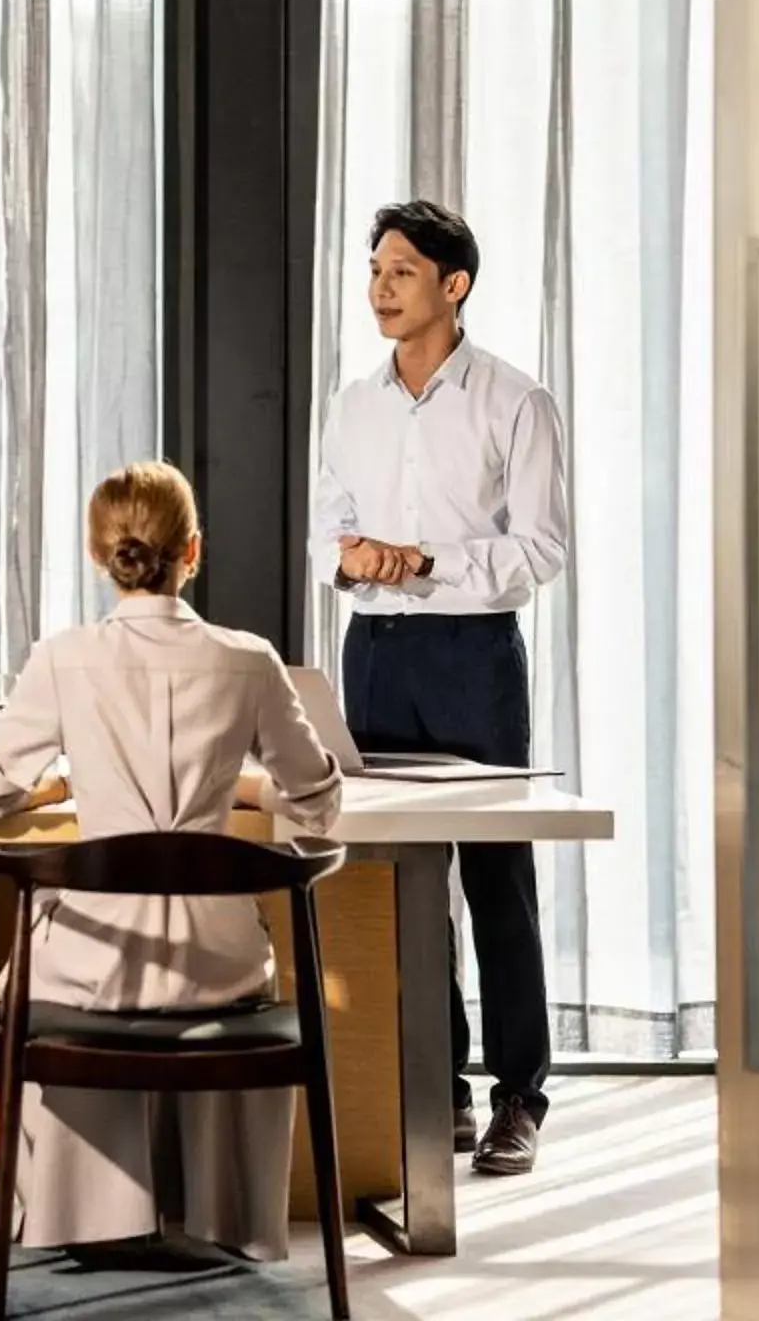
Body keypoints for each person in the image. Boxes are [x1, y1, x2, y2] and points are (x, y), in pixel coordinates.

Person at [0, 461, 345, 1263]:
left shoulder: (64, 659)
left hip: (94, 966)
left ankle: (89, 1213)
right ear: (192, 551)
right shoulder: (251, 660)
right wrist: (236, 789)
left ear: (103, 556)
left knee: (30, 977)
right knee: (243, 963)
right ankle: (231, 1217)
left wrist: (66, 784)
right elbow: (318, 798)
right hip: (220, 967)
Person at [310, 199, 571, 1176]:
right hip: (374, 650)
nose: (380, 287)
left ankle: (520, 1097)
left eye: (402, 270)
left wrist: (419, 559)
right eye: (375, 269)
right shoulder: (352, 402)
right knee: (398, 880)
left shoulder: (515, 400)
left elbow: (540, 550)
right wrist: (357, 561)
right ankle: (438, 1088)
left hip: (473, 655)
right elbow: (321, 532)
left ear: (453, 286)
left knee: (496, 876)